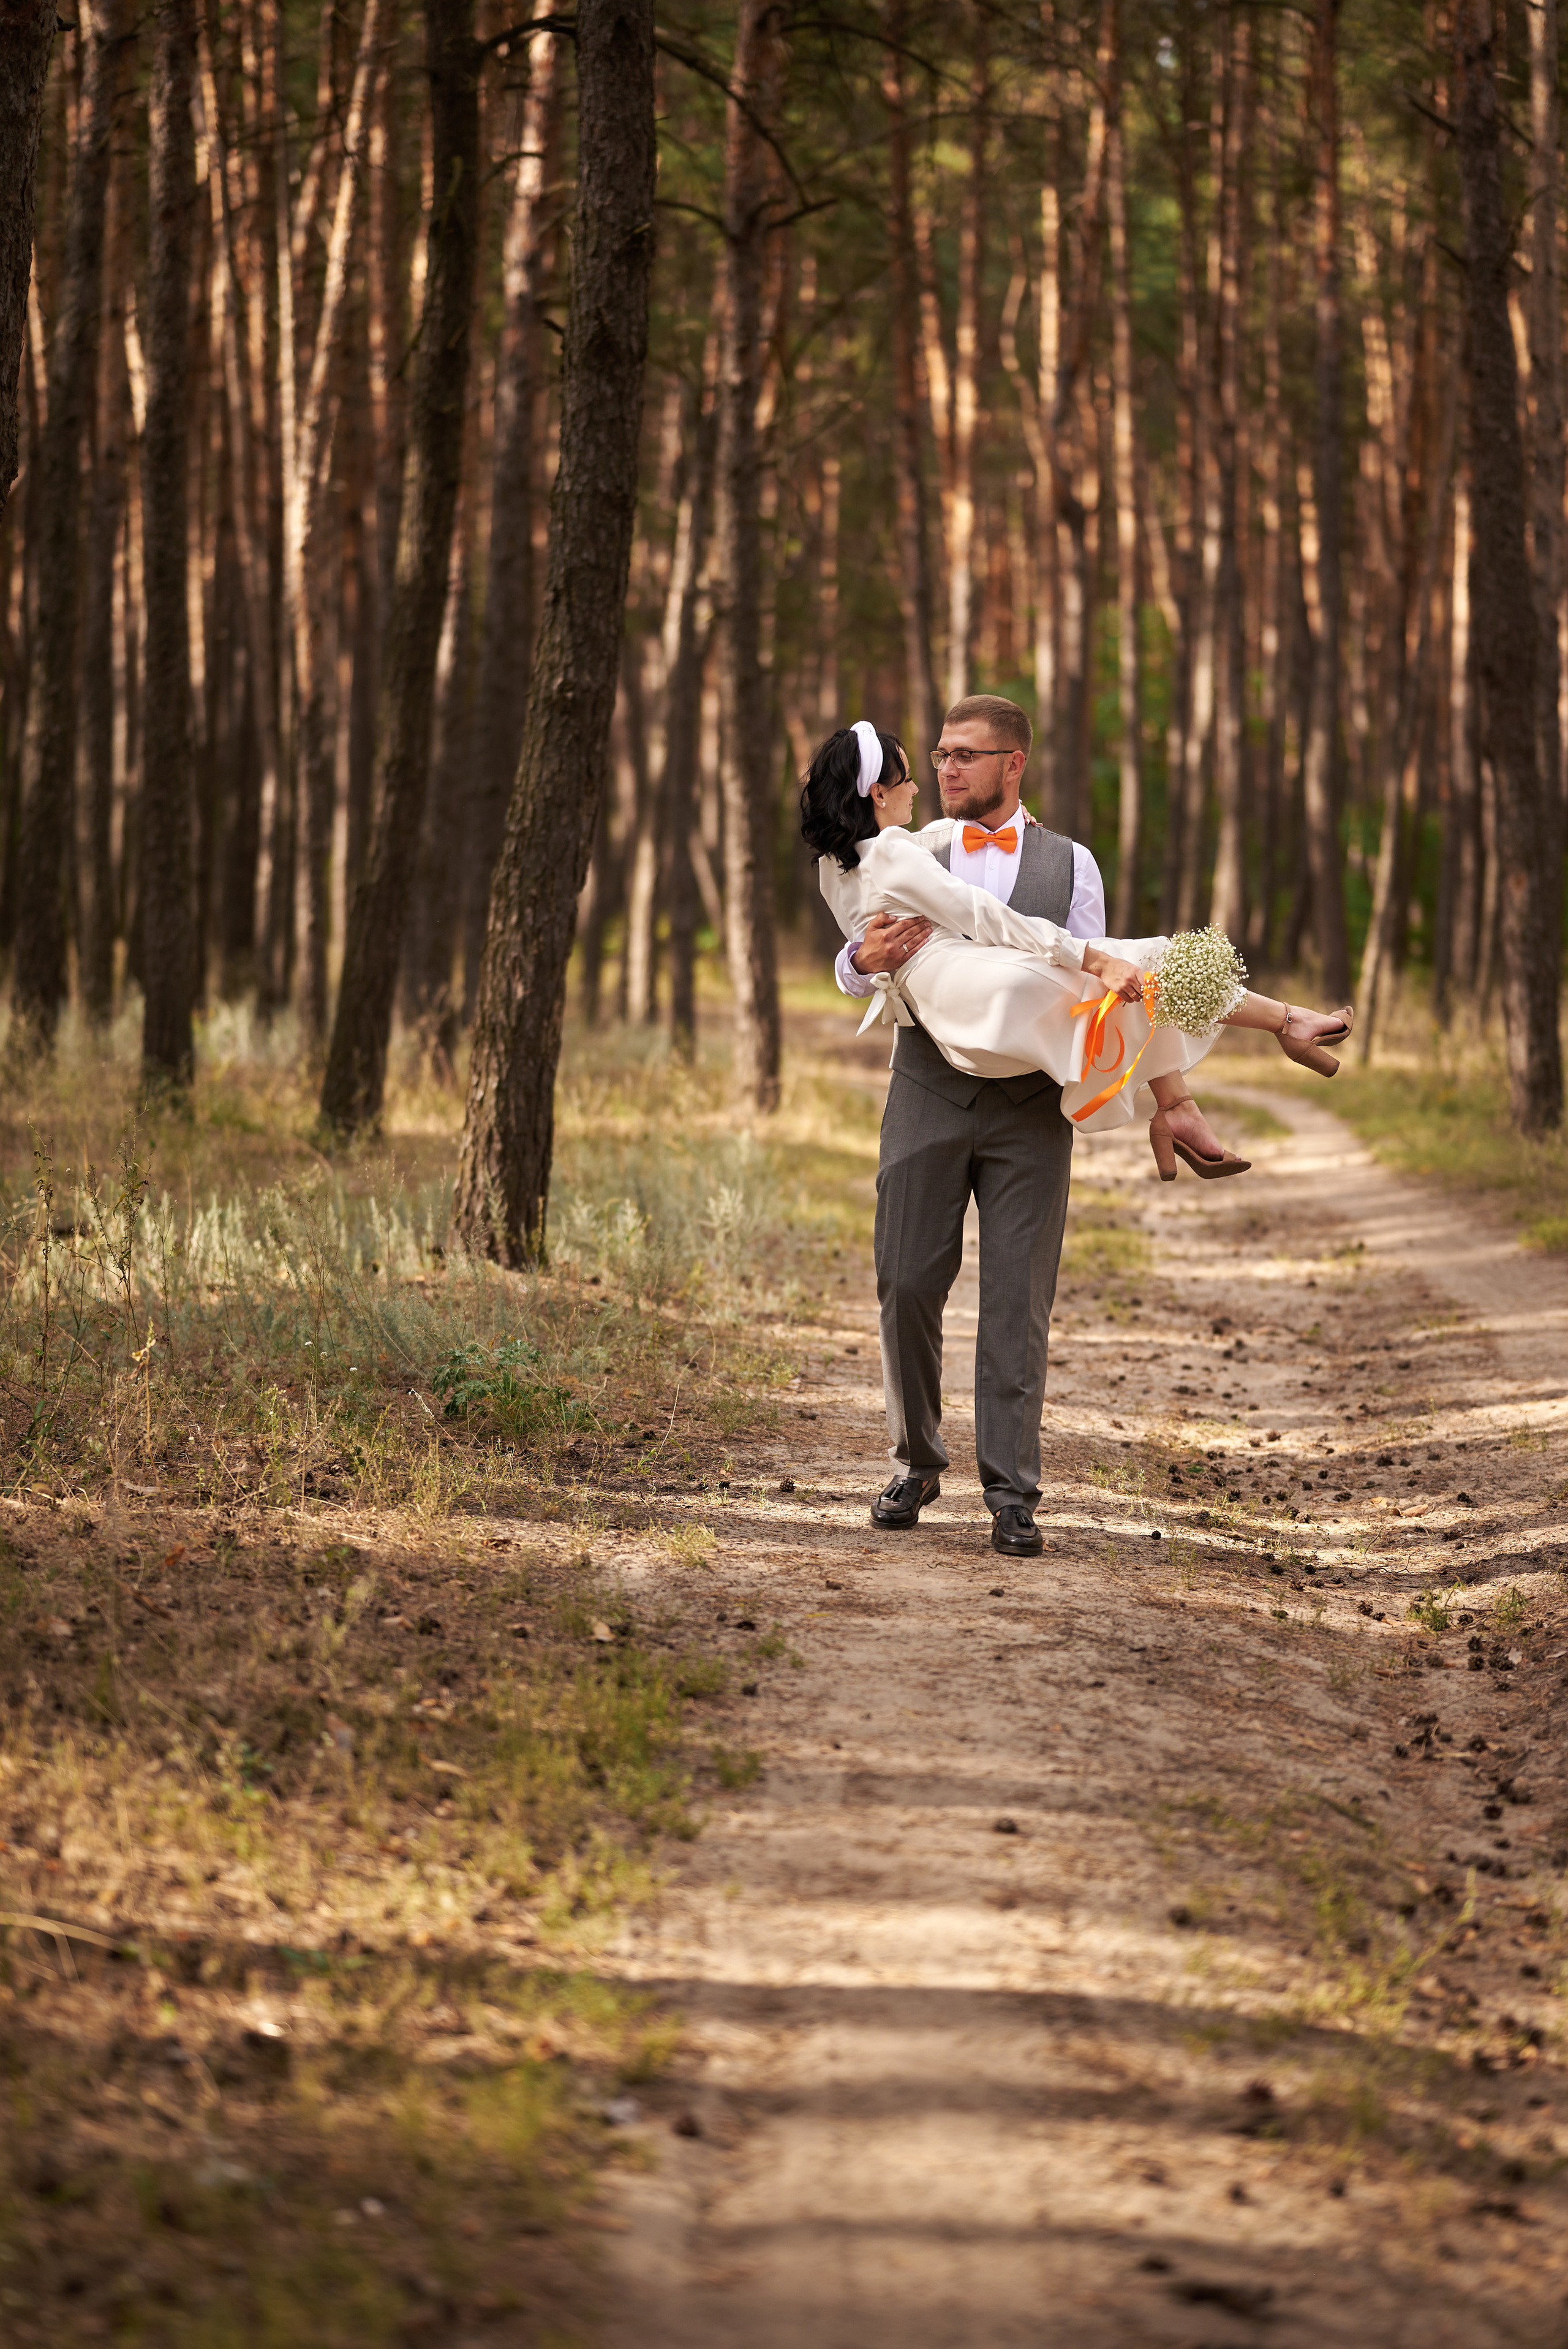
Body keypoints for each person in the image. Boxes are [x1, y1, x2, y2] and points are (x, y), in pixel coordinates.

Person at [801, 695, 1351, 1557]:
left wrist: (1169, 1099)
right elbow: (855, 923)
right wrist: (856, 963)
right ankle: (915, 1459)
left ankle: (1012, 1490)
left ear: (1013, 762)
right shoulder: (916, 847)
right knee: (905, 1280)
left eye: (966, 756)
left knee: (1019, 1298)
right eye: (937, 754)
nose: (945, 770)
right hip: (928, 1085)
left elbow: (1109, 1005)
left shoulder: (1074, 865)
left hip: (1030, 1105)